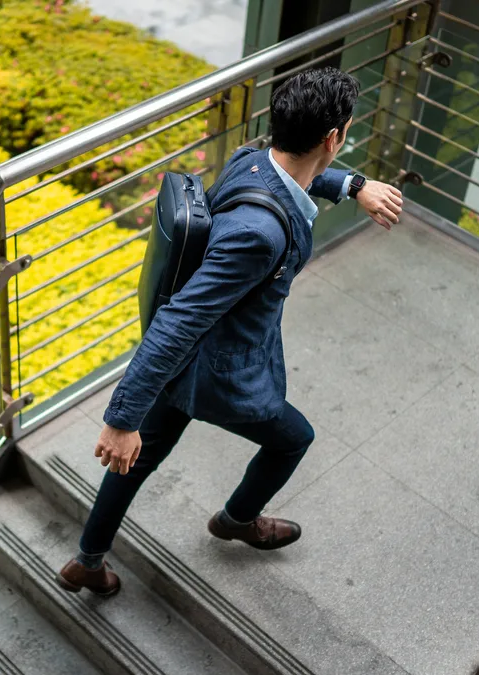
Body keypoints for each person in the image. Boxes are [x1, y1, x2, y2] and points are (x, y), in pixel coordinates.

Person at [55, 67, 404, 596]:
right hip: (216, 369)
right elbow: (181, 319)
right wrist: (120, 418)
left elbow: (299, 176)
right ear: (334, 138)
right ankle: (237, 520)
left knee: (141, 457)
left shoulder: (252, 157)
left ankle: (86, 561)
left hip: (179, 365)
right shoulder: (257, 235)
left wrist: (354, 185)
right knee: (293, 439)